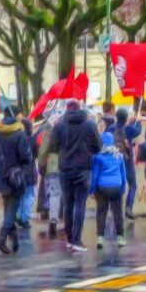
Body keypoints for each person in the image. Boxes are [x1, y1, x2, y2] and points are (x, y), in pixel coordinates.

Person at [46, 100, 102, 252]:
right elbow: (99, 146)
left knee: (68, 204)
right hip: (84, 169)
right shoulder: (90, 125)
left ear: (67, 109)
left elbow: (53, 148)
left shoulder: (59, 126)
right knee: (80, 204)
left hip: (65, 169)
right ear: (80, 109)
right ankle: (77, 239)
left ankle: (70, 239)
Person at [0, 107, 33, 254]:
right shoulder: (19, 134)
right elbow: (26, 157)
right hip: (15, 177)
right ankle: (1, 239)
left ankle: (14, 240)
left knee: (9, 207)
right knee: (11, 208)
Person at [90, 132, 127, 248]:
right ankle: (120, 237)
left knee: (101, 212)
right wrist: (123, 188)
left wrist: (91, 190)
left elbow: (95, 175)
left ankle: (100, 238)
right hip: (116, 185)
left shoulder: (97, 157)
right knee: (117, 212)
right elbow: (123, 174)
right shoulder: (119, 156)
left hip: (101, 187)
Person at [105, 108, 142, 220]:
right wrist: (138, 120)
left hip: (113, 159)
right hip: (126, 159)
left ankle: (115, 208)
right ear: (126, 117)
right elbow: (137, 131)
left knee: (116, 183)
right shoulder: (129, 128)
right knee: (132, 184)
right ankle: (128, 207)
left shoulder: (110, 128)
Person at [38, 122, 62, 237]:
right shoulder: (79, 122)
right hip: (72, 161)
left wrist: (41, 164)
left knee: (55, 193)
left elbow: (44, 148)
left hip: (54, 162)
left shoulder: (52, 124)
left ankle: (53, 218)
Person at [16, 119, 39, 230]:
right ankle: (24, 218)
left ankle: (19, 215)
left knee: (21, 195)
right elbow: (37, 154)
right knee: (30, 195)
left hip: (18, 173)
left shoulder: (17, 139)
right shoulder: (32, 140)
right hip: (30, 171)